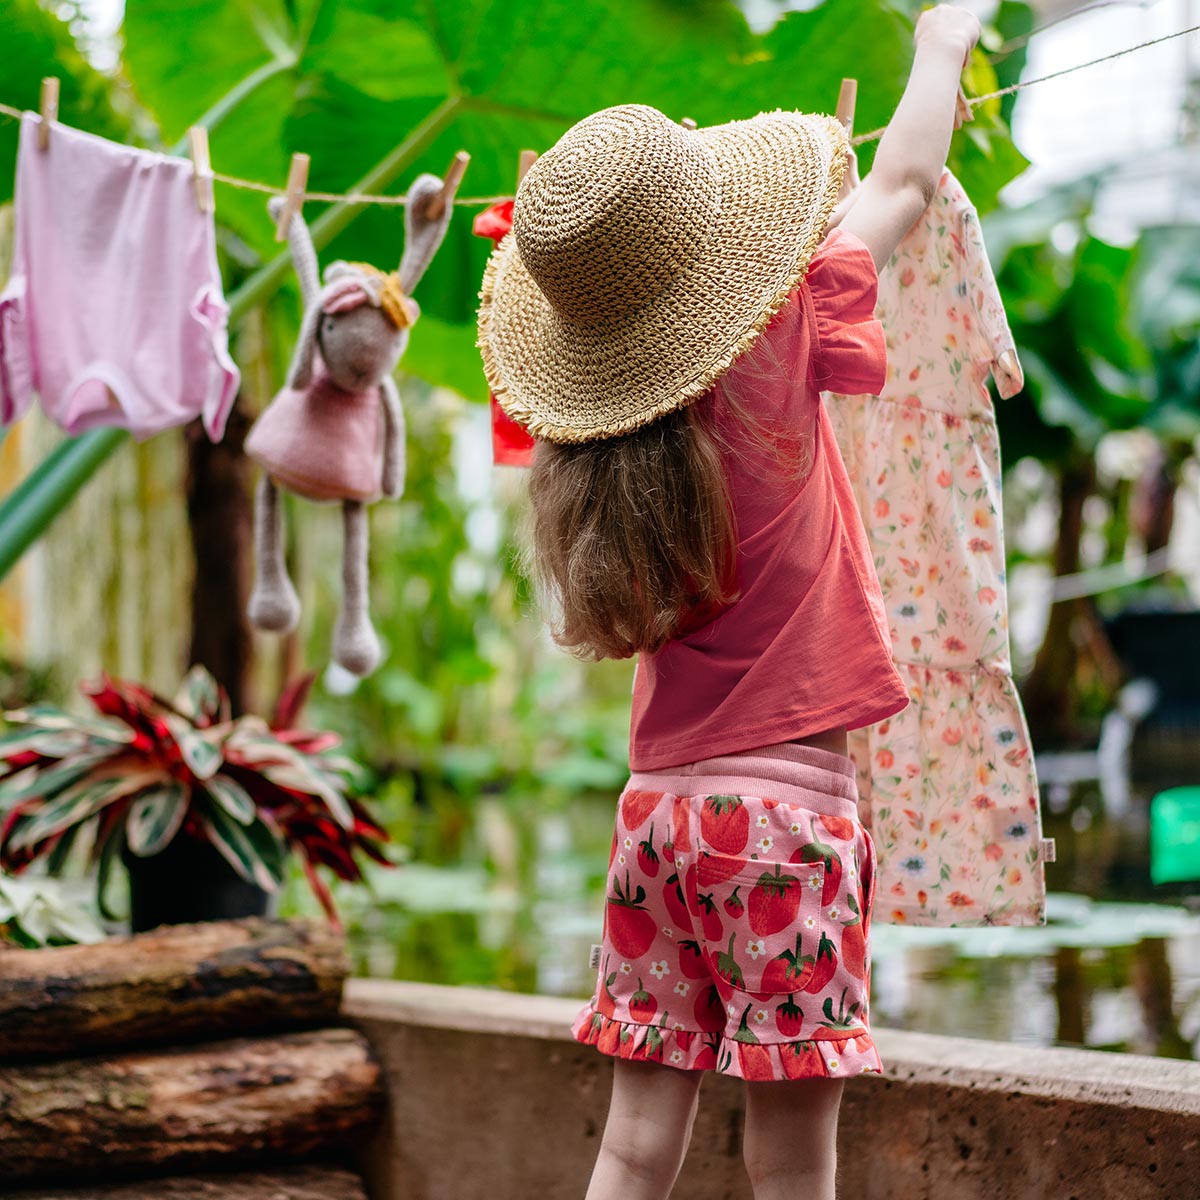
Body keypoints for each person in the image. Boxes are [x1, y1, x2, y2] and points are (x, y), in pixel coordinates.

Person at [476, 8, 981, 1198]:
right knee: (791, 1163)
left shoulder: (593, 445)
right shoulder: (783, 324)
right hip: (782, 829)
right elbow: (908, 172)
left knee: (634, 1146)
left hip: (657, 821)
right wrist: (945, 40)